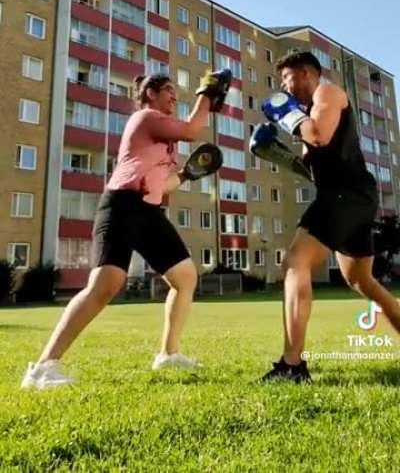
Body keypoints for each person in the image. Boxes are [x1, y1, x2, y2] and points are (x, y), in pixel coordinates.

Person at [21, 69, 230, 389]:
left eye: (177, 93)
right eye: (169, 91)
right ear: (150, 94)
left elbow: (164, 184)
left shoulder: (163, 140)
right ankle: (43, 368)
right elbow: (191, 129)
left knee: (185, 277)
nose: (175, 97)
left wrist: (188, 174)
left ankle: (168, 354)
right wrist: (206, 94)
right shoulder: (147, 118)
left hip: (149, 211)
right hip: (121, 204)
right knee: (105, 285)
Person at [252, 50, 400, 383]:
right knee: (363, 282)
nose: (284, 88)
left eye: (286, 79)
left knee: (295, 262)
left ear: (305, 73)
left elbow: (318, 134)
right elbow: (314, 167)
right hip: (348, 196)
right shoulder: (310, 111)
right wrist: (274, 152)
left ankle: (292, 366)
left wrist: (287, 115)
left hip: (346, 196)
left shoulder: (327, 93)